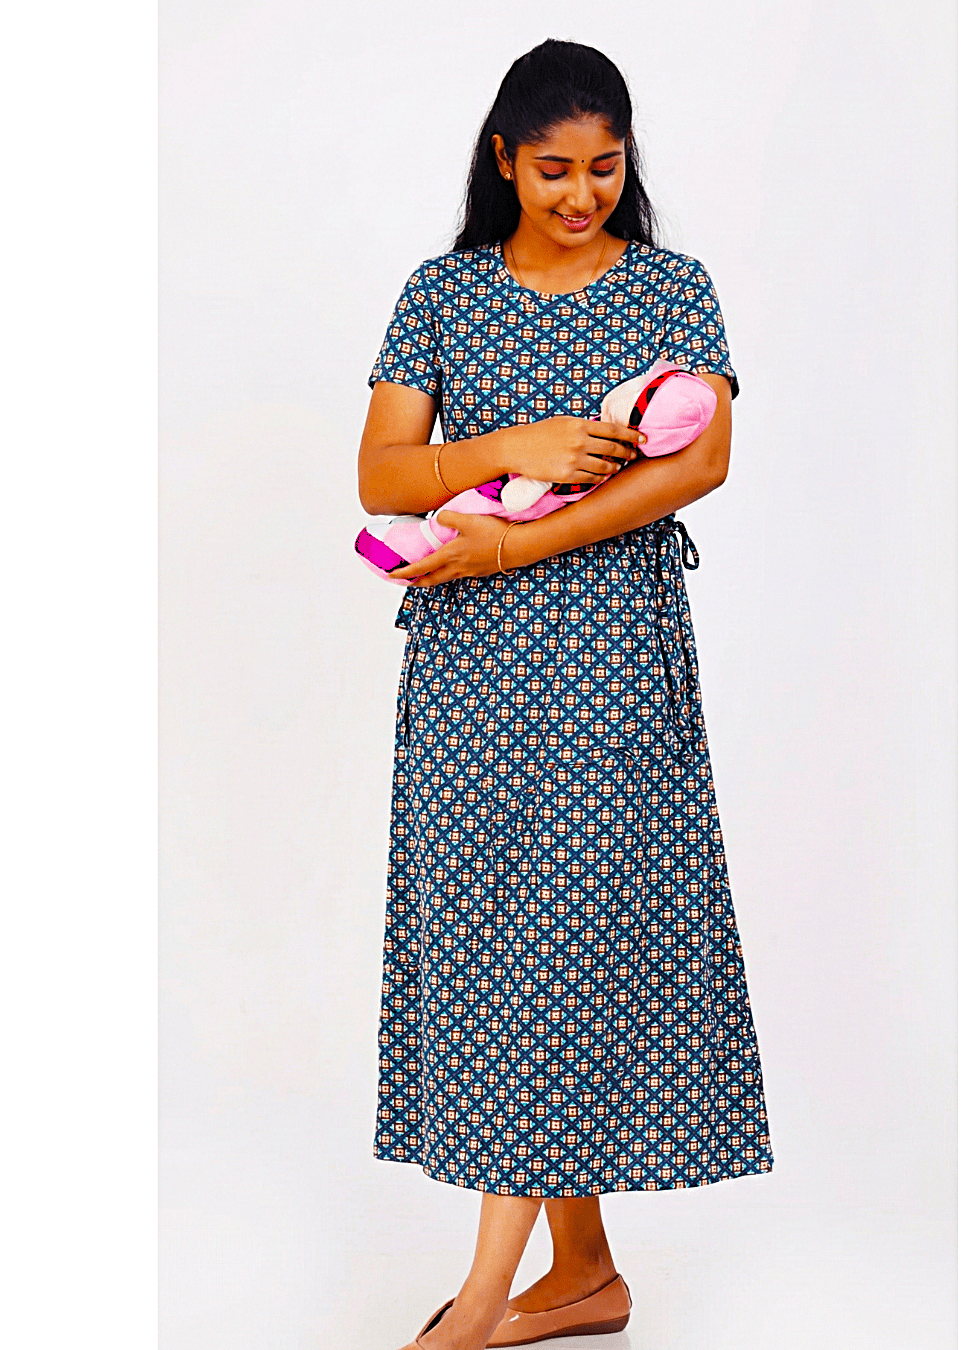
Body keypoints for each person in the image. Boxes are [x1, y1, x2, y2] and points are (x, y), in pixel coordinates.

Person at [357, 39, 773, 1350]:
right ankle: (585, 1271)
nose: (583, 192)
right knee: (498, 946)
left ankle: (484, 1293)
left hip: (610, 667)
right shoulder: (442, 291)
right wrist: (512, 449)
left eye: (605, 166)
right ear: (504, 160)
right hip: (469, 673)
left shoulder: (670, 286)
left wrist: (514, 545)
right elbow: (382, 475)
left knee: (568, 945)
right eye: (554, 169)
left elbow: (698, 464)